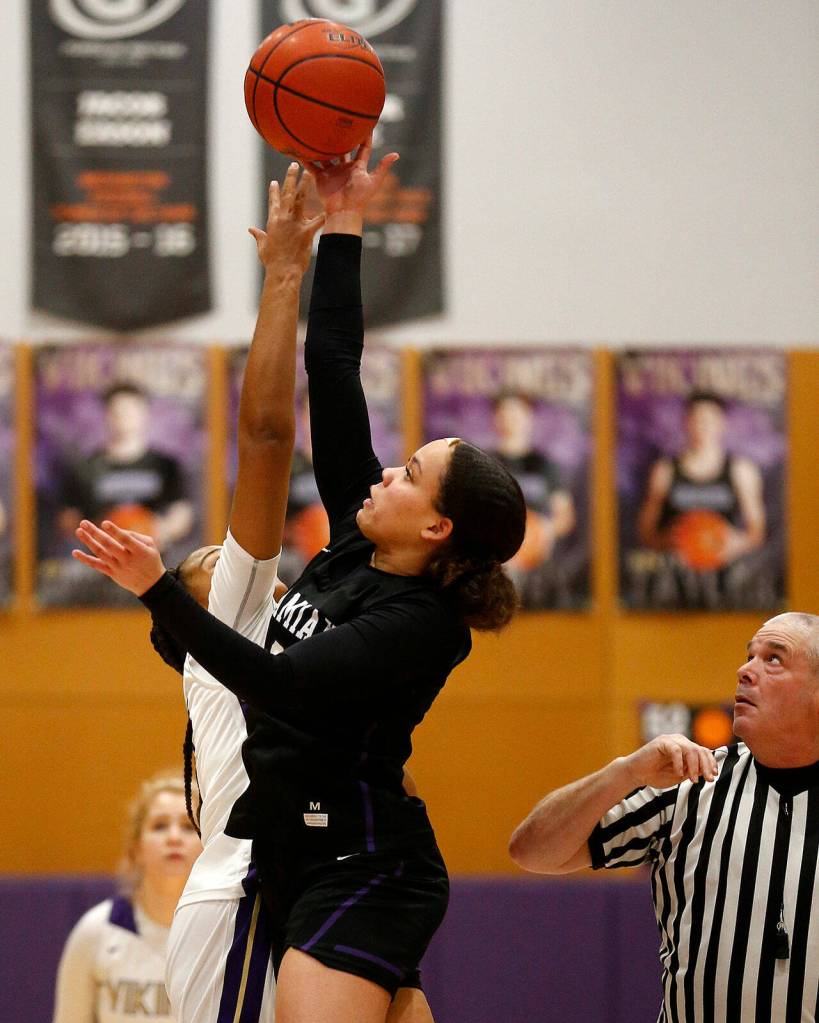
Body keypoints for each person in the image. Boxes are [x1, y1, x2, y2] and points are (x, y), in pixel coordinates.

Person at [73, 139, 528, 1023]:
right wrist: (344, 220)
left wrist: (158, 588)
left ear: (436, 527)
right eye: (396, 461)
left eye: (407, 472)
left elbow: (281, 684)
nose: (384, 474)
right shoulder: (359, 548)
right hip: (299, 855)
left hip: (360, 862)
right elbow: (334, 369)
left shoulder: (421, 620)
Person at [509, 611, 819, 1022]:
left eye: (773, 659)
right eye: (749, 656)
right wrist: (625, 771)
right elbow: (532, 851)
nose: (745, 670)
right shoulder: (691, 785)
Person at [52, 772, 201, 1023]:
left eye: (188, 827)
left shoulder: (223, 936)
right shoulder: (97, 930)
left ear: (207, 847)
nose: (174, 837)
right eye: (160, 826)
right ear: (136, 849)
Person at [637, 391, 766, 608]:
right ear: (687, 423)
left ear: (721, 423)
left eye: (710, 419)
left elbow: (756, 531)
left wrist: (735, 543)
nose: (704, 426)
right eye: (697, 419)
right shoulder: (665, 471)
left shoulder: (740, 471)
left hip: (725, 576)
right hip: (677, 577)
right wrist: (673, 541)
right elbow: (647, 531)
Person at [56, 381, 195, 553]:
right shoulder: (85, 468)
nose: (125, 417)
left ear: (145, 413)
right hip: (104, 559)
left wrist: (155, 530)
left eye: (131, 410)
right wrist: (100, 530)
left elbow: (181, 515)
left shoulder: (166, 466)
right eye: (118, 411)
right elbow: (68, 519)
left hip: (156, 560)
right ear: (107, 415)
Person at [490, 391, 575, 607]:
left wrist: (547, 530)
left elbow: (564, 516)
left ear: (529, 417)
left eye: (517, 412)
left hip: (538, 566)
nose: (511, 418)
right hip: (498, 565)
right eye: (505, 412)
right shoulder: (485, 464)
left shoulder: (545, 465)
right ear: (496, 418)